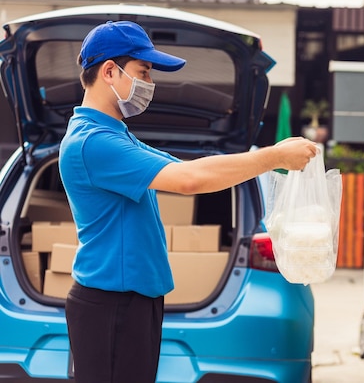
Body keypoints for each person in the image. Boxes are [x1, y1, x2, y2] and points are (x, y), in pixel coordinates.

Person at [58, 20, 317, 383]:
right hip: (111, 304)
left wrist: (263, 158)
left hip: (128, 302)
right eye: (144, 71)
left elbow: (187, 169)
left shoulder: (115, 135)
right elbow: (189, 180)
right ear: (110, 71)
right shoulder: (93, 142)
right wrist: (273, 157)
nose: (150, 83)